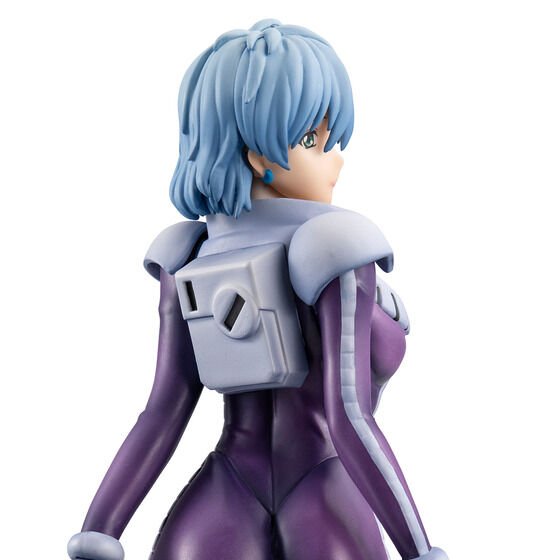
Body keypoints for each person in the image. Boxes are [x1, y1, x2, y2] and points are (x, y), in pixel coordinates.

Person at [68, 19, 448, 560]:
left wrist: (99, 531)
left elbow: (163, 409)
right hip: (320, 481)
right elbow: (350, 418)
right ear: (260, 158)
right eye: (313, 142)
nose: (337, 161)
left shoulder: (190, 254)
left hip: (227, 488)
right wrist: (420, 550)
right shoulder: (333, 249)